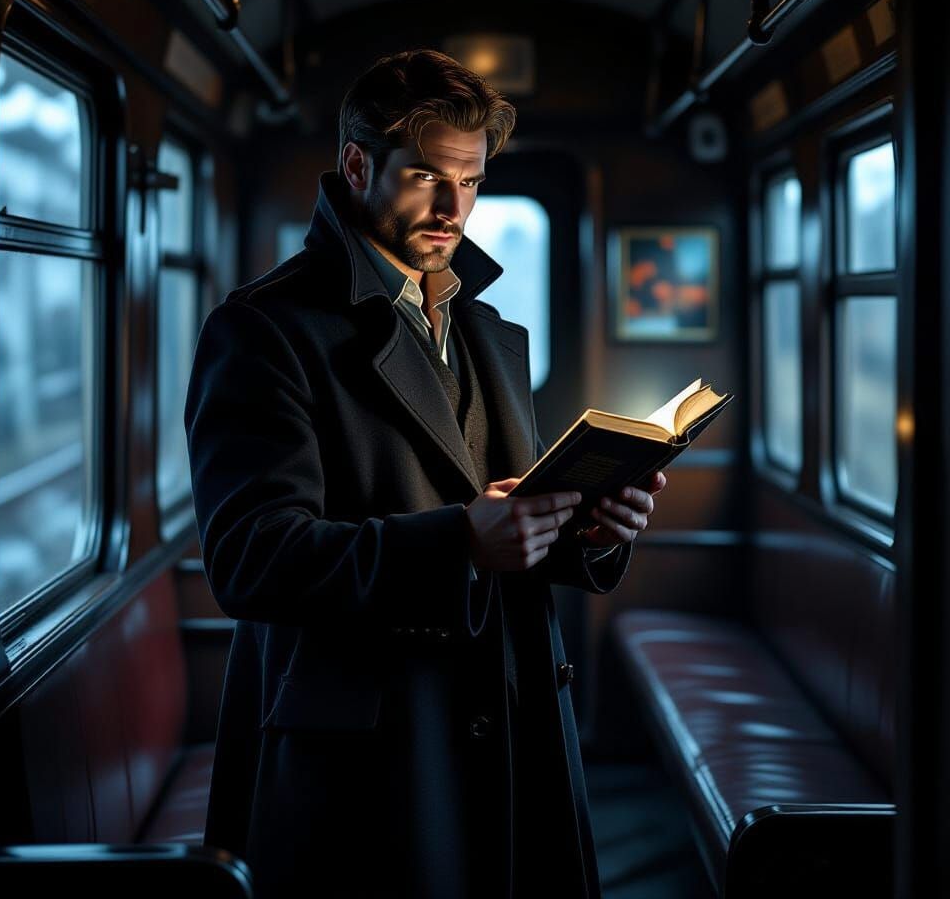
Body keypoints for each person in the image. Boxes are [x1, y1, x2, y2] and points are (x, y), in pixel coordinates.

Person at [184, 48, 666, 899]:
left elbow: (510, 520)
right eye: (425, 177)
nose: (453, 209)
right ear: (358, 165)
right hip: (378, 747)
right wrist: (458, 545)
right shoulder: (264, 331)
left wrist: (591, 530)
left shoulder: (486, 330)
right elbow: (250, 558)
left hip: (511, 714)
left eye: (473, 183)